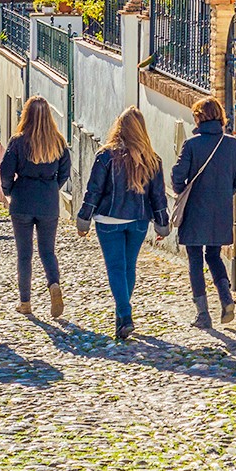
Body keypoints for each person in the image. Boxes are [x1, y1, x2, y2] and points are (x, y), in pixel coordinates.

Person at [76, 106, 169, 340]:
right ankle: (121, 320)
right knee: (129, 267)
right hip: (138, 220)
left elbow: (94, 190)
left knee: (116, 268)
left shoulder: (106, 156)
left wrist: (84, 217)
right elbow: (158, 195)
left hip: (109, 219)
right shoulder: (152, 159)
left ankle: (125, 316)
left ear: (120, 127)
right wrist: (161, 222)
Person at [170, 97, 236, 329]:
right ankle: (226, 299)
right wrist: (223, 194)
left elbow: (177, 176)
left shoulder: (192, 145)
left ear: (199, 117)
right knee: (214, 256)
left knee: (195, 259)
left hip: (194, 211)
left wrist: (182, 192)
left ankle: (203, 314)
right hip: (220, 212)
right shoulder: (234, 145)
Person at [0, 96, 72, 318]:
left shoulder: (18, 141)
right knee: (47, 250)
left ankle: (25, 302)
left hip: (23, 199)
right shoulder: (58, 142)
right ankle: (53, 284)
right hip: (48, 202)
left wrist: (10, 190)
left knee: (24, 254)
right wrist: (52, 187)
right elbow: (65, 172)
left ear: (26, 115)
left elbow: (5, 170)